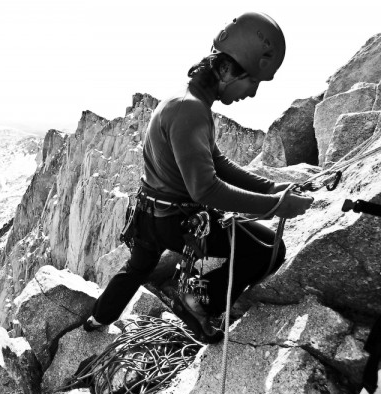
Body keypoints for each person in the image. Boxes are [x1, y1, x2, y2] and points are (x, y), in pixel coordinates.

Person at [84, 12, 314, 342]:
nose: (251, 93)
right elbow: (206, 188)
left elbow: (217, 163)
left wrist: (269, 187)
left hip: (150, 216)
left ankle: (97, 318)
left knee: (137, 268)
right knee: (268, 249)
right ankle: (199, 305)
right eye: (253, 81)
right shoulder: (191, 111)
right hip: (179, 220)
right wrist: (275, 206)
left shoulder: (185, 102)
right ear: (226, 70)